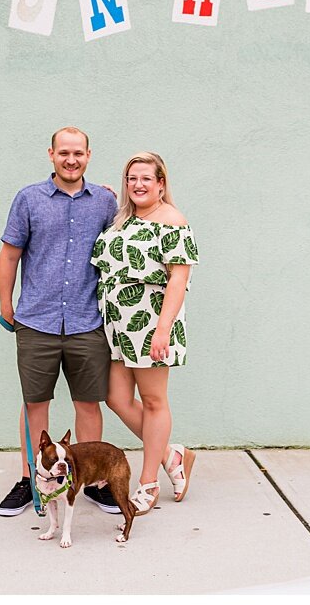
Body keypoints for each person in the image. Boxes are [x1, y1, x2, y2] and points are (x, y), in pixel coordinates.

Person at [0, 126, 120, 516]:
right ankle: (31, 477)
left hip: (87, 321)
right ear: (51, 154)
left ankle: (93, 481)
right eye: (64, 152)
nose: (71, 159)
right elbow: (10, 255)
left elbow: (134, 226)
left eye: (78, 153)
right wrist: (6, 305)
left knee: (88, 403)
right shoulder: (28, 199)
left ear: (89, 155)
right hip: (37, 321)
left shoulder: (103, 202)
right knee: (36, 404)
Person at [92, 151, 199, 511]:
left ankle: (148, 482)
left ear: (161, 183)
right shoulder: (122, 218)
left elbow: (178, 278)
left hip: (151, 321)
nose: (137, 184)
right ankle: (172, 455)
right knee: (116, 398)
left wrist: (162, 330)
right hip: (117, 324)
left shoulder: (172, 220)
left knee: (153, 400)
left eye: (146, 179)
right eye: (131, 178)